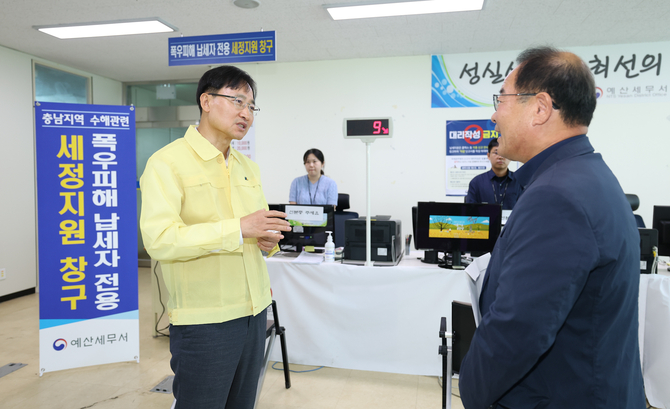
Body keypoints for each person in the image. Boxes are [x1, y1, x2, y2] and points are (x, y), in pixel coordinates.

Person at [459, 47, 645, 409]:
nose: (494, 114)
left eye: (501, 99)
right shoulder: (586, 174)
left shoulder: (555, 197)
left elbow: (518, 330)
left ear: (540, 108)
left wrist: (472, 390)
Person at [139, 66, 291, 409]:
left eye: (251, 106)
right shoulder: (167, 163)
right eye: (237, 101)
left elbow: (256, 228)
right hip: (205, 321)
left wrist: (267, 241)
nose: (246, 113)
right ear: (206, 101)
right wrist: (237, 229)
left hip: (255, 313)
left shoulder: (248, 167)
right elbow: (160, 239)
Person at [465, 138, 520, 210]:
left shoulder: (520, 181)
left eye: (504, 153)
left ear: (510, 157)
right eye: (496, 153)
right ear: (488, 156)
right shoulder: (476, 182)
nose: (500, 157)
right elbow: (469, 211)